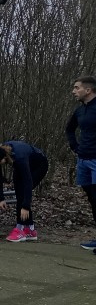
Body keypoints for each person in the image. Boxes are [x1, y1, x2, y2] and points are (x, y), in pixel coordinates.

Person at [0, 141, 49, 242]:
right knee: (19, 192)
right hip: (25, 164)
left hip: (39, 165)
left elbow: (28, 182)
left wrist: (25, 206)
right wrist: (1, 198)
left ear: (4, 156)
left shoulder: (19, 157)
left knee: (23, 192)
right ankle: (30, 229)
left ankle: (20, 228)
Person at [68, 76, 96, 249]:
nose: (73, 91)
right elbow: (69, 129)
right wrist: (75, 146)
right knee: (93, 199)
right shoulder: (80, 111)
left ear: (88, 90)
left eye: (76, 87)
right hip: (83, 161)